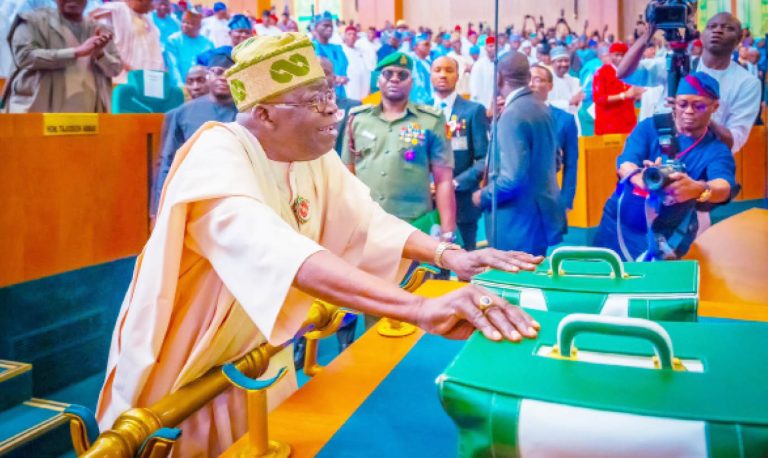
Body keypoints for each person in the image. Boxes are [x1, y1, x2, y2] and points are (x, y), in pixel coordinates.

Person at [97, 33, 541, 456]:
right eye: (316, 102)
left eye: (331, 96)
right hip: (188, 372)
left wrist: (452, 256)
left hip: (257, 360)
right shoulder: (216, 155)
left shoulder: (310, 155)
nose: (335, 113)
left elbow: (368, 223)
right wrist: (419, 308)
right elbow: (280, 255)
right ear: (265, 113)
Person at [593, 72, 737, 261]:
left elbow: (724, 186)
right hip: (618, 225)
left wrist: (697, 189)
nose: (689, 111)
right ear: (674, 103)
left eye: (699, 106)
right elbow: (625, 163)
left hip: (668, 235)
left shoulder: (714, 149)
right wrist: (642, 179)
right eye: (682, 104)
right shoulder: (650, 127)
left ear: (714, 107)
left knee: (655, 287)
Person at [342, 52, 456, 243]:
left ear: (411, 83)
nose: (394, 79)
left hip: (414, 225)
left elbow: (443, 180)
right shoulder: (357, 119)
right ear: (379, 81)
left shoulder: (431, 120)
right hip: (367, 224)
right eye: (388, 74)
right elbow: (348, 175)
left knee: (416, 274)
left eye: (402, 75)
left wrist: (447, 232)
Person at [617, 12, 761, 153]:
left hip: (704, 160)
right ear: (702, 35)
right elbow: (623, 73)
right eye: (712, 26)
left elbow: (733, 142)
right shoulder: (678, 63)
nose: (718, 30)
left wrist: (696, 113)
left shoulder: (747, 83)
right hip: (661, 152)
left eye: (728, 28)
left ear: (740, 37)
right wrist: (646, 36)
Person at [469, 52, 566, 255]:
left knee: (514, 283)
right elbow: (556, 161)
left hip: (516, 222)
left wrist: (483, 195)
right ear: (528, 77)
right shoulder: (540, 106)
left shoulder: (513, 114)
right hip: (538, 218)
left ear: (499, 78)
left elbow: (512, 180)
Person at [152, 53, 237, 211]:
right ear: (208, 76)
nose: (223, 78)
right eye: (217, 72)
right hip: (194, 194)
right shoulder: (183, 113)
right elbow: (167, 162)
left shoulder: (250, 112)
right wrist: (158, 208)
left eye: (230, 72)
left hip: (237, 194)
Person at [3, 0, 121, 113]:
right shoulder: (32, 21)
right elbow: (24, 56)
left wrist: (100, 54)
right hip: (38, 115)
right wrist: (76, 52)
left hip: (88, 116)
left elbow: (115, 69)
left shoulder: (101, 30)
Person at [433, 56, 489, 250]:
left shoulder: (473, 111)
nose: (443, 75)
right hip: (427, 205)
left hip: (462, 203)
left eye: (449, 70)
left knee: (467, 264)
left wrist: (455, 183)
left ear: (458, 76)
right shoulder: (418, 111)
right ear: (430, 75)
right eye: (438, 70)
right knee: (431, 269)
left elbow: (484, 159)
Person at [529, 64, 579, 212]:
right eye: (528, 79)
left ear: (550, 86)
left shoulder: (565, 120)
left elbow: (571, 165)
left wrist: (566, 201)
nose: (531, 83)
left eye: (537, 79)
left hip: (548, 195)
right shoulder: (511, 114)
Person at [90, 0, 164, 84]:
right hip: (119, 82)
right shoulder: (114, 11)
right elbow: (102, 48)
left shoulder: (148, 20)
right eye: (151, 1)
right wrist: (126, 68)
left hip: (146, 84)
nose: (153, 6)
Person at [593, 42, 643, 135]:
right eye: (617, 55)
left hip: (628, 124)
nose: (620, 58)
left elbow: (635, 94)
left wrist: (638, 95)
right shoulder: (601, 73)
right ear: (610, 55)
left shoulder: (631, 72)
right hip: (608, 125)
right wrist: (624, 95)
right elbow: (599, 99)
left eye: (623, 55)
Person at [166, 11, 213, 86]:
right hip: (181, 86)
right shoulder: (173, 41)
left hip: (202, 87)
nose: (185, 25)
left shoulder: (207, 43)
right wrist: (180, 86)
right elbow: (173, 66)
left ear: (199, 26)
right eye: (183, 22)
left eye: (190, 23)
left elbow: (210, 68)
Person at [312, 11, 349, 99]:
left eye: (331, 26)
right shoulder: (311, 48)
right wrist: (333, 78)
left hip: (340, 95)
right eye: (325, 25)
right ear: (316, 28)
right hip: (320, 97)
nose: (330, 29)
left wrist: (343, 78)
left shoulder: (338, 48)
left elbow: (344, 69)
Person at [548, 45, 584, 122]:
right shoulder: (546, 80)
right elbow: (545, 105)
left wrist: (577, 101)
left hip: (571, 122)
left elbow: (577, 103)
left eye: (566, 61)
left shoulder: (572, 80)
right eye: (560, 61)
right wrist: (569, 102)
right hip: (554, 123)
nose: (564, 64)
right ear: (552, 62)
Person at [340, 25, 371, 101]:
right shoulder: (341, 50)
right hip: (349, 86)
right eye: (349, 34)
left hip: (363, 85)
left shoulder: (361, 51)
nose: (352, 36)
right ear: (345, 36)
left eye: (354, 34)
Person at [469, 36, 497, 112]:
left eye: (495, 46)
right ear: (485, 48)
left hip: (495, 106)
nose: (493, 48)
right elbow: (474, 88)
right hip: (481, 105)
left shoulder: (500, 63)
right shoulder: (479, 65)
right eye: (490, 46)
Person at [410, 33, 434, 104]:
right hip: (419, 104)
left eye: (430, 45)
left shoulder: (429, 63)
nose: (429, 47)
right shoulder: (412, 62)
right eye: (426, 44)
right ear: (415, 46)